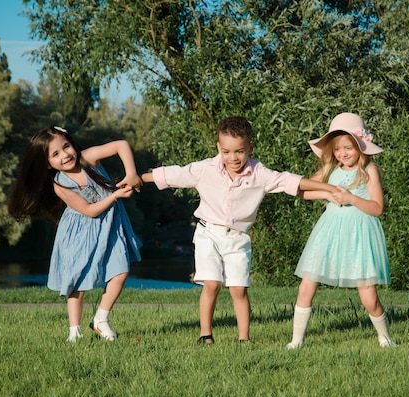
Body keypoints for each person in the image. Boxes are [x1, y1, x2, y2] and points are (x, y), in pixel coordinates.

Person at [141, 116, 344, 344]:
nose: (233, 158)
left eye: (239, 151)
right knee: (212, 284)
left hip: (237, 239)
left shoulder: (260, 174)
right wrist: (138, 179)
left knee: (238, 289)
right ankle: (205, 335)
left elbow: (291, 181)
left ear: (250, 147)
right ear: (219, 147)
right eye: (226, 152)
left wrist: (328, 188)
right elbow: (173, 174)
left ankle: (243, 339)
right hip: (208, 233)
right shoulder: (205, 169)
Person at [8, 126, 143, 342]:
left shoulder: (87, 158)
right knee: (78, 281)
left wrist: (131, 173)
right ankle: (75, 332)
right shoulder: (60, 184)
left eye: (66, 146)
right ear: (47, 163)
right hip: (80, 231)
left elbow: (121, 145)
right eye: (55, 154)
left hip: (110, 224)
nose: (65, 155)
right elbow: (89, 211)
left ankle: (101, 319)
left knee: (121, 270)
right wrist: (115, 195)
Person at [287, 113, 397, 349]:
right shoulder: (330, 169)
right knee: (306, 285)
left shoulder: (369, 170)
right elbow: (303, 191)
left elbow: (377, 208)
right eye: (337, 149)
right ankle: (296, 341)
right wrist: (327, 193)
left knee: (368, 296)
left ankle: (385, 338)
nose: (343, 153)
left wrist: (351, 198)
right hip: (329, 232)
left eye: (348, 148)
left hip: (359, 234)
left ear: (360, 146)